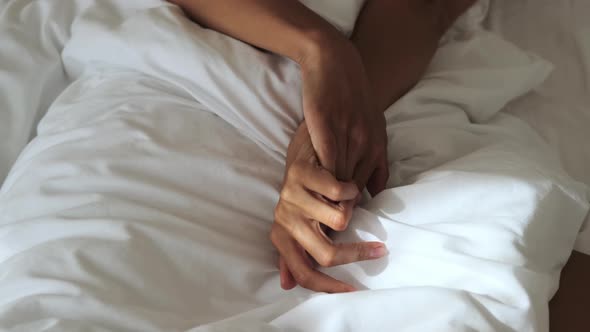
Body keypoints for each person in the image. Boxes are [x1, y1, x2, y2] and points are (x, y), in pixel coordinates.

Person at [168, 0, 477, 293]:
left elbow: (428, 6)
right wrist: (320, 48)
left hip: (376, 68)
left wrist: (338, 126)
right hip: (183, 74)